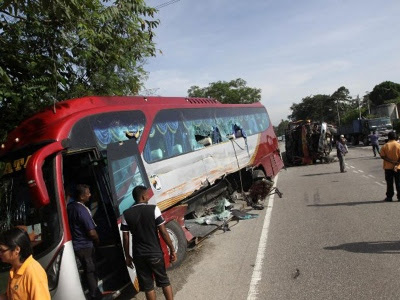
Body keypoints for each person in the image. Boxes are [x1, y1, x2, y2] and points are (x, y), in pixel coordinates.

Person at [121, 185, 177, 300]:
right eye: (147, 194)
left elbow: (125, 238)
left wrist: (127, 256)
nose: (148, 196)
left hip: (139, 256)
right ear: (142, 196)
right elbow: (163, 232)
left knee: (148, 287)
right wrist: (172, 249)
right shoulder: (153, 209)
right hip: (154, 253)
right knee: (164, 281)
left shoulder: (126, 214)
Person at [67, 184, 102, 300]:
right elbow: (91, 232)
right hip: (85, 246)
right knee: (91, 271)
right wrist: (97, 241)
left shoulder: (70, 207)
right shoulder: (82, 210)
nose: (90, 195)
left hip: (76, 245)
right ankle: (95, 295)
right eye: (88, 193)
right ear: (82, 197)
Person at [0, 227, 50, 300]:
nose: (0, 253)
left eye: (2, 250)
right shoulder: (14, 270)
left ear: (17, 250)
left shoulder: (33, 272)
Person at [379, 131, 400, 202]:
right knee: (399, 182)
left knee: (389, 183)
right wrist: (396, 163)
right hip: (398, 167)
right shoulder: (398, 145)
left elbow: (382, 156)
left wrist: (391, 161)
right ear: (395, 137)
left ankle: (389, 197)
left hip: (388, 168)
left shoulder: (385, 146)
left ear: (388, 137)